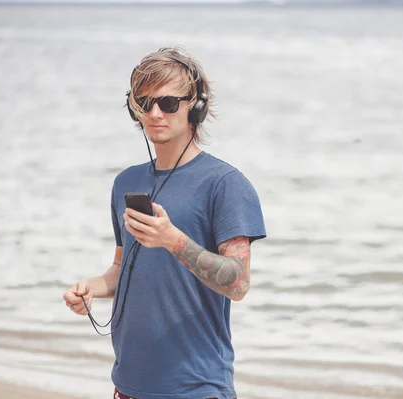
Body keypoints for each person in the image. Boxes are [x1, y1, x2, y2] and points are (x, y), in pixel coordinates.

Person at [62, 47, 266, 399]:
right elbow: (120, 268)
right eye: (144, 102)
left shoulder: (225, 184)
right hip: (127, 387)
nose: (155, 113)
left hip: (196, 388)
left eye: (169, 103)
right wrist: (91, 288)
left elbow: (239, 284)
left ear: (195, 106)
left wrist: (174, 241)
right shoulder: (126, 183)